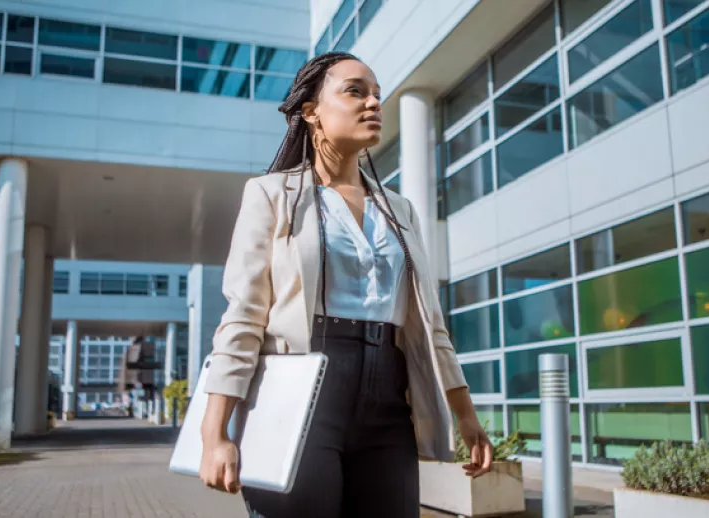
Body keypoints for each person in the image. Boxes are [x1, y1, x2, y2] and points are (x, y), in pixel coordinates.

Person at [198, 51, 493, 518]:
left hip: (388, 398)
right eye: (355, 91)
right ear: (311, 110)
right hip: (301, 391)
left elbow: (431, 326)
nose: (373, 103)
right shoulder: (272, 195)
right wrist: (214, 433)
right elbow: (243, 315)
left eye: (377, 94)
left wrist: (466, 415)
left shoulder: (400, 210)